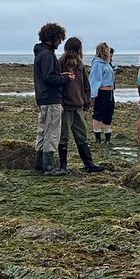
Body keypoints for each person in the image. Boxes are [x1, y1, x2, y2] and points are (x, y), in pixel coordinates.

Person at [56, 36, 103, 175]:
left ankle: (88, 164)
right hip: (67, 106)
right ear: (78, 49)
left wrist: (86, 101)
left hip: (77, 106)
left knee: (80, 135)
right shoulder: (61, 64)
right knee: (64, 136)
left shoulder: (80, 66)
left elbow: (86, 85)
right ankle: (63, 166)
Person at [32, 22, 68, 173]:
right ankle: (48, 166)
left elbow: (48, 76)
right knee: (52, 132)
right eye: (59, 38)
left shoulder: (40, 53)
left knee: (42, 131)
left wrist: (60, 75)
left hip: (42, 98)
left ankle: (39, 164)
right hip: (51, 98)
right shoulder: (48, 55)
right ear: (53, 37)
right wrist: (65, 79)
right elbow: (49, 78)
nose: (60, 42)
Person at [89, 41, 116, 145]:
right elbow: (94, 79)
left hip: (110, 92)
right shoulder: (97, 64)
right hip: (102, 92)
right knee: (98, 114)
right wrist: (93, 95)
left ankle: (108, 139)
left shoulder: (107, 63)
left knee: (108, 114)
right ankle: (98, 139)